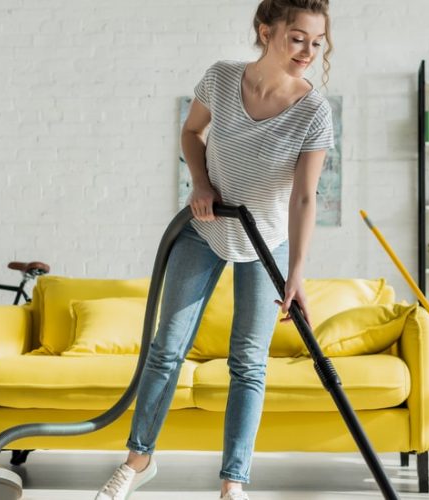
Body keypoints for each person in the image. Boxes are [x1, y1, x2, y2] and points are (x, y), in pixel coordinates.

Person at [94, 1, 334, 499]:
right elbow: (191, 132)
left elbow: (306, 196)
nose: (308, 52)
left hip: (264, 242)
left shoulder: (313, 111)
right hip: (203, 230)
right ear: (266, 32)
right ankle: (138, 463)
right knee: (166, 349)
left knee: (249, 362)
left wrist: (297, 272)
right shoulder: (223, 79)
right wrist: (200, 183)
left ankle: (232, 484)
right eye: (297, 38)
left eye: (317, 42)